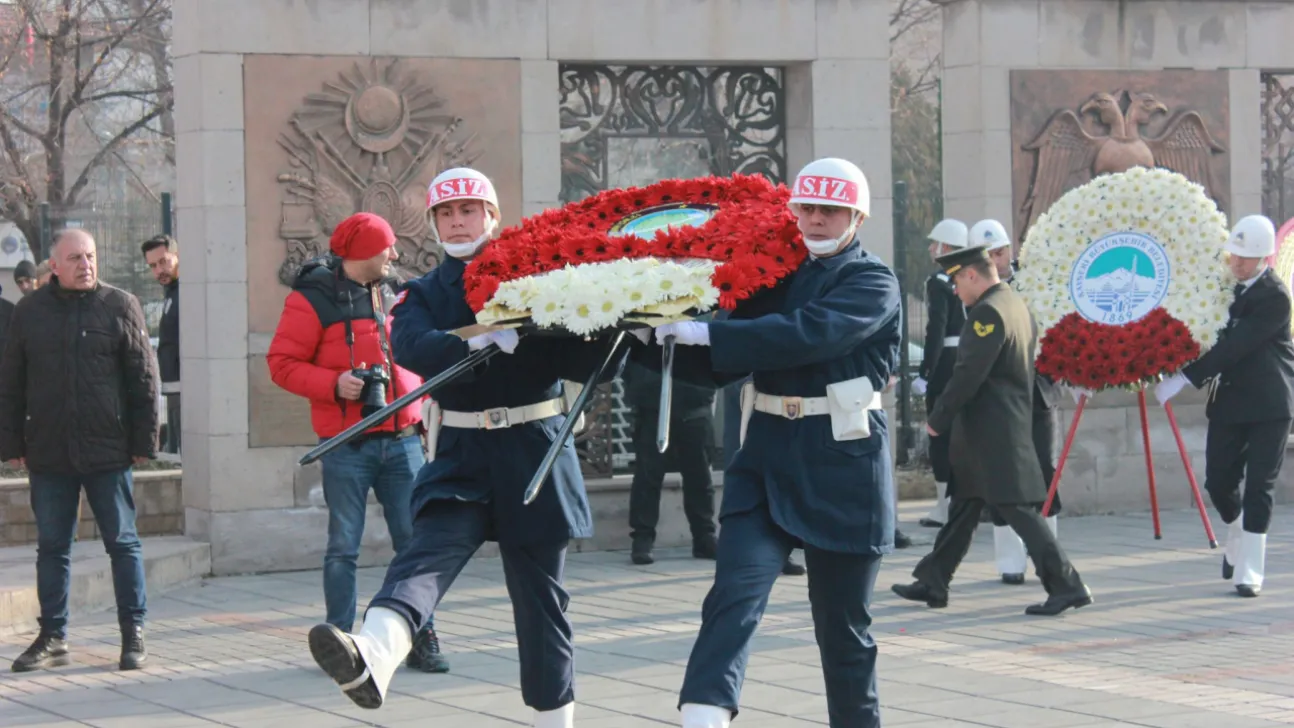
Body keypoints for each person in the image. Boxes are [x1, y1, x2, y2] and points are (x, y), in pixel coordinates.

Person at [307, 168, 629, 728]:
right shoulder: (423, 292)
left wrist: (617, 322)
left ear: (492, 216)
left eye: (469, 210)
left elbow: (584, 361)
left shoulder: (542, 277)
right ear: (433, 224)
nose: (458, 222)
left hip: (534, 451)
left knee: (541, 606)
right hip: (461, 449)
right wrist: (479, 337)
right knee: (424, 558)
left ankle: (557, 721)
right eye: (446, 214)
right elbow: (413, 345)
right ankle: (375, 655)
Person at [648, 157, 902, 728]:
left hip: (842, 466)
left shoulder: (872, 281)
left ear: (856, 216)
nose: (814, 220)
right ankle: (703, 717)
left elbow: (805, 336)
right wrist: (650, 331)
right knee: (731, 599)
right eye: (806, 208)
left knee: (843, 634)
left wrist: (707, 332)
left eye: (829, 210)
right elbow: (719, 361)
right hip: (763, 459)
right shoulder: (772, 275)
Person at [268, 212, 448, 673]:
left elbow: (427, 349)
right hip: (346, 443)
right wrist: (334, 383)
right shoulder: (311, 299)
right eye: (386, 246)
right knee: (342, 546)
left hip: (404, 438)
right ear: (362, 251)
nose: (394, 253)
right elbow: (281, 363)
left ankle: (420, 635)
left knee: (415, 543)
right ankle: (340, 641)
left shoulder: (402, 291)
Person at [891, 245, 1092, 616]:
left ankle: (1067, 584)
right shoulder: (1013, 303)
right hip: (995, 429)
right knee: (964, 506)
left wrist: (938, 418)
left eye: (956, 281)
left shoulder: (986, 313)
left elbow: (968, 374)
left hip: (993, 432)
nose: (954, 291)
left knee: (1018, 509)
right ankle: (934, 579)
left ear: (971, 274)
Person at [0, 229, 158, 672]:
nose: (85, 264)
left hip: (109, 450)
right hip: (49, 452)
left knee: (122, 544)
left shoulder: (119, 305)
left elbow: (143, 378)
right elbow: (11, 382)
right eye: (74, 258)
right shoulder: (30, 312)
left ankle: (133, 632)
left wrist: (144, 441)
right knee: (52, 547)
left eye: (90, 256)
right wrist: (10, 442)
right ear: (54, 266)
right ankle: (52, 636)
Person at [1156, 214, 1294, 597]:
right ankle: (1237, 529)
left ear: (1264, 258)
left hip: (1269, 403)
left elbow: (1235, 347)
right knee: (1218, 481)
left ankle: (1250, 569)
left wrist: (1185, 378)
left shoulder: (1275, 296)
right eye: (1234, 255)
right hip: (1230, 402)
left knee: (1260, 486)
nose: (1236, 263)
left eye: (1244, 258)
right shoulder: (1224, 289)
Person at [975, 218, 1062, 584]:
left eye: (1001, 250)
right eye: (989, 254)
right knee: (1002, 475)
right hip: (999, 397)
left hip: (1039, 391)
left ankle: (1050, 558)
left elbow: (1059, 327)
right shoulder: (974, 291)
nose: (998, 258)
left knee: (1045, 469)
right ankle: (1010, 561)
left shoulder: (1036, 283)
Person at [623, 358, 719, 564]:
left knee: (700, 478)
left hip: (695, 402)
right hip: (652, 406)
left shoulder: (698, 325)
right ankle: (642, 538)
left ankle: (704, 537)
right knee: (647, 478)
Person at [914, 219, 969, 529]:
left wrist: (927, 370)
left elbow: (936, 328)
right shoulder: (970, 276)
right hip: (969, 358)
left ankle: (943, 506)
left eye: (936, 244)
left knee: (939, 433)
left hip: (946, 361)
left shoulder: (938, 281)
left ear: (947, 248)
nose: (931, 249)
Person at [141, 235, 181, 454]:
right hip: (174, 387)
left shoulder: (187, 292)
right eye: (153, 266)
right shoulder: (172, 292)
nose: (159, 271)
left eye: (164, 262)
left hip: (187, 389)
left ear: (178, 256)